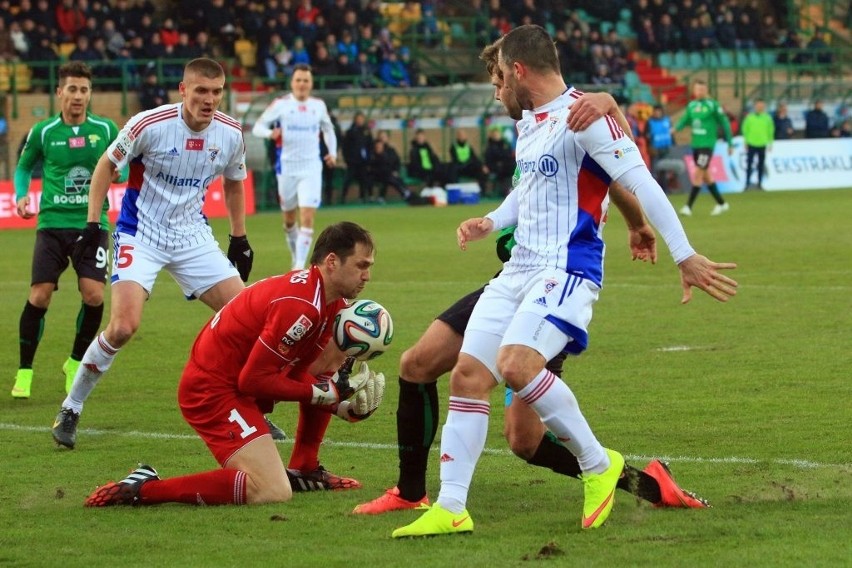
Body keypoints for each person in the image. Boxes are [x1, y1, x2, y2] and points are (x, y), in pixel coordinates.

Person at [392, 24, 737, 538]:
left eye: (499, 78)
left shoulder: (588, 116)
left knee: (515, 366)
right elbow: (526, 192)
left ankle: (599, 466)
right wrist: (492, 220)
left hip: (567, 268)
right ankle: (452, 507)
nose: (497, 90)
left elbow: (642, 181)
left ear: (517, 70)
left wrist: (683, 253)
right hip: (518, 269)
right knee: (467, 376)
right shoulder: (528, 123)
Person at [84, 222, 386, 507]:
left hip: (237, 382)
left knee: (335, 350)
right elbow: (254, 381)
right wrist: (326, 394)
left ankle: (305, 468)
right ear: (332, 262)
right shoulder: (301, 304)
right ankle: (142, 489)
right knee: (270, 490)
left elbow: (301, 374)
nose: (367, 276)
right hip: (212, 390)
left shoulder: (329, 302)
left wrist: (341, 405)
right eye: (362, 265)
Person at [50, 58, 255, 449]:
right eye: (201, 91)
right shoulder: (149, 123)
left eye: (216, 92)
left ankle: (250, 411)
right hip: (139, 233)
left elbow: (234, 182)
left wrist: (239, 237)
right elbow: (105, 166)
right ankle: (72, 407)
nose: (209, 100)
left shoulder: (230, 133)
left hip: (192, 235)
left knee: (246, 318)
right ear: (183, 90)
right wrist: (93, 226)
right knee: (123, 327)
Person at [11, 62, 122, 400]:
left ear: (90, 94)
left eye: (84, 90)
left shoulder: (104, 129)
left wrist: (119, 171)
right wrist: (20, 195)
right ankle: (25, 370)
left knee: (94, 296)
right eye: (72, 89)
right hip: (51, 224)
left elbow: (125, 161)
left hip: (92, 223)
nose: (78, 96)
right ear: (60, 92)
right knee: (39, 295)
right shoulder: (43, 132)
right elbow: (24, 166)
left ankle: (75, 361)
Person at [252, 64, 338, 270]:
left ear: (311, 84)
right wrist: (269, 134)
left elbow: (329, 129)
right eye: (298, 80)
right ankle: (295, 256)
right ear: (292, 82)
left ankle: (298, 266)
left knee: (307, 215)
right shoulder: (281, 104)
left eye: (306, 80)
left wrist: (332, 152)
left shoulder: (318, 106)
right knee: (289, 220)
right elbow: (257, 127)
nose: (302, 84)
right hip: (287, 168)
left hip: (311, 167)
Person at [674, 79, 734, 217]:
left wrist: (730, 143)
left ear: (706, 90)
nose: (699, 92)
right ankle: (721, 203)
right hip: (696, 144)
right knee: (706, 176)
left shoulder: (713, 105)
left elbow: (725, 124)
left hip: (708, 144)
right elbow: (685, 120)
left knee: (698, 173)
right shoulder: (692, 105)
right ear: (694, 91)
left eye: (702, 89)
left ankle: (688, 206)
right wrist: (676, 128)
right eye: (697, 89)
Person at [741, 99, 774, 190]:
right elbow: (745, 130)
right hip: (751, 143)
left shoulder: (767, 118)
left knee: (761, 164)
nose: (760, 107)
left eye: (762, 106)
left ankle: (760, 184)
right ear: (755, 106)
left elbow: (770, 131)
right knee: (749, 164)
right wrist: (746, 142)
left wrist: (770, 143)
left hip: (762, 143)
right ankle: (747, 183)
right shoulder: (750, 117)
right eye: (758, 105)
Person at [341, 111, 373, 203]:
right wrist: (347, 159)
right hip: (352, 161)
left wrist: (369, 157)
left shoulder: (367, 131)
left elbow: (370, 145)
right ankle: (343, 197)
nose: (360, 121)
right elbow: (345, 147)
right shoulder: (350, 132)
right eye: (358, 119)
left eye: (361, 119)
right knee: (348, 179)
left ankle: (362, 197)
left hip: (363, 161)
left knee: (363, 179)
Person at [369, 136, 413, 203]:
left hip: (386, 175)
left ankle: (406, 192)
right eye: (378, 146)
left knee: (396, 178)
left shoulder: (385, 154)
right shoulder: (373, 156)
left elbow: (392, 164)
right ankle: (404, 193)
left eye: (380, 146)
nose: (379, 148)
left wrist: (394, 171)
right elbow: (375, 168)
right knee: (390, 178)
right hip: (376, 176)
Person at [448, 129, 489, 193]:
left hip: (468, 168)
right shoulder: (453, 147)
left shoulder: (468, 146)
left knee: (481, 170)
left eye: (463, 135)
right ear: (457, 137)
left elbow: (474, 158)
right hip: (459, 168)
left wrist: (482, 166)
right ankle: (455, 192)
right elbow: (455, 160)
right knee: (452, 169)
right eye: (460, 135)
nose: (461, 137)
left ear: (465, 137)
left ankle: (482, 191)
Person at [646, 104, 675, 191]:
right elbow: (647, 136)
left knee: (664, 170)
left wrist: (673, 144)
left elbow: (671, 133)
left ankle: (664, 189)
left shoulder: (667, 120)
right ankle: (654, 190)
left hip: (666, 148)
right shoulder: (650, 122)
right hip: (655, 149)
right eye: (655, 111)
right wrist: (649, 147)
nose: (657, 113)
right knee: (654, 170)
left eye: (659, 111)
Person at [483, 126, 514, 197]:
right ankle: (506, 190)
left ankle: (510, 189)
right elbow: (489, 158)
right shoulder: (490, 146)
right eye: (494, 134)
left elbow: (508, 155)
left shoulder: (505, 144)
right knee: (501, 170)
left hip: (505, 166)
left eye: (497, 134)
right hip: (494, 166)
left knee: (511, 166)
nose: (496, 135)